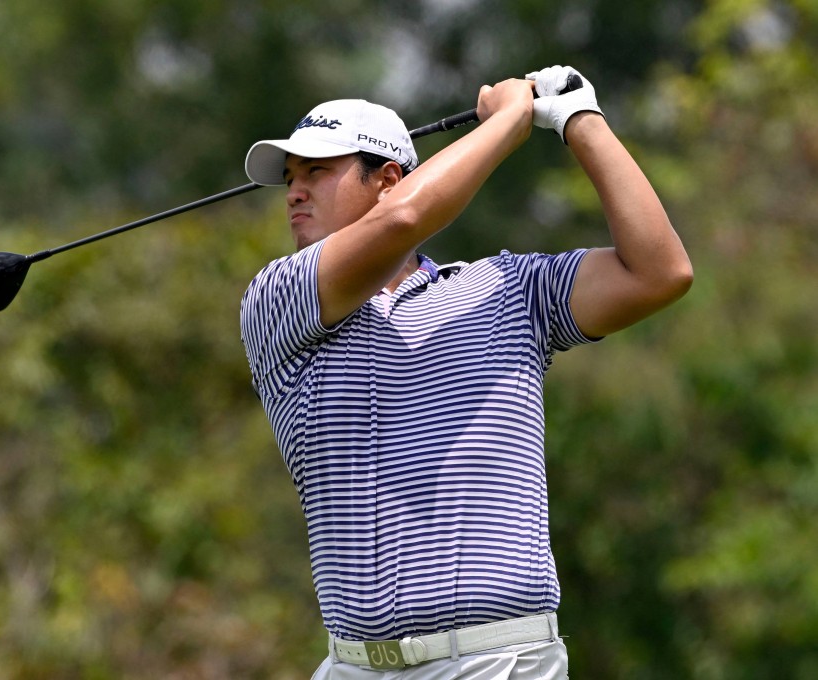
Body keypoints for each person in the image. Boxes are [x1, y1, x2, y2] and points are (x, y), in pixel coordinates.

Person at [239, 65, 692, 679]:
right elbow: (403, 221)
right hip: (352, 666)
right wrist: (508, 121)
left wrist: (579, 120)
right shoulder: (277, 300)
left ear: (389, 179)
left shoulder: (509, 289)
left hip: (496, 660)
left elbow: (660, 273)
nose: (294, 192)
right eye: (289, 178)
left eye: (316, 171)